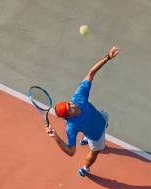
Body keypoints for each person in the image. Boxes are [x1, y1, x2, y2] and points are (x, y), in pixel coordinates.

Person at [47, 45, 119, 177]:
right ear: (68, 115)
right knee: (95, 151)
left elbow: (91, 73)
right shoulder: (72, 127)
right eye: (70, 107)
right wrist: (56, 137)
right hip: (96, 137)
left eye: (69, 103)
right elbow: (71, 152)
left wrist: (108, 57)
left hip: (102, 117)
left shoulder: (78, 97)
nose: (72, 104)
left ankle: (86, 136)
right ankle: (86, 168)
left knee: (104, 120)